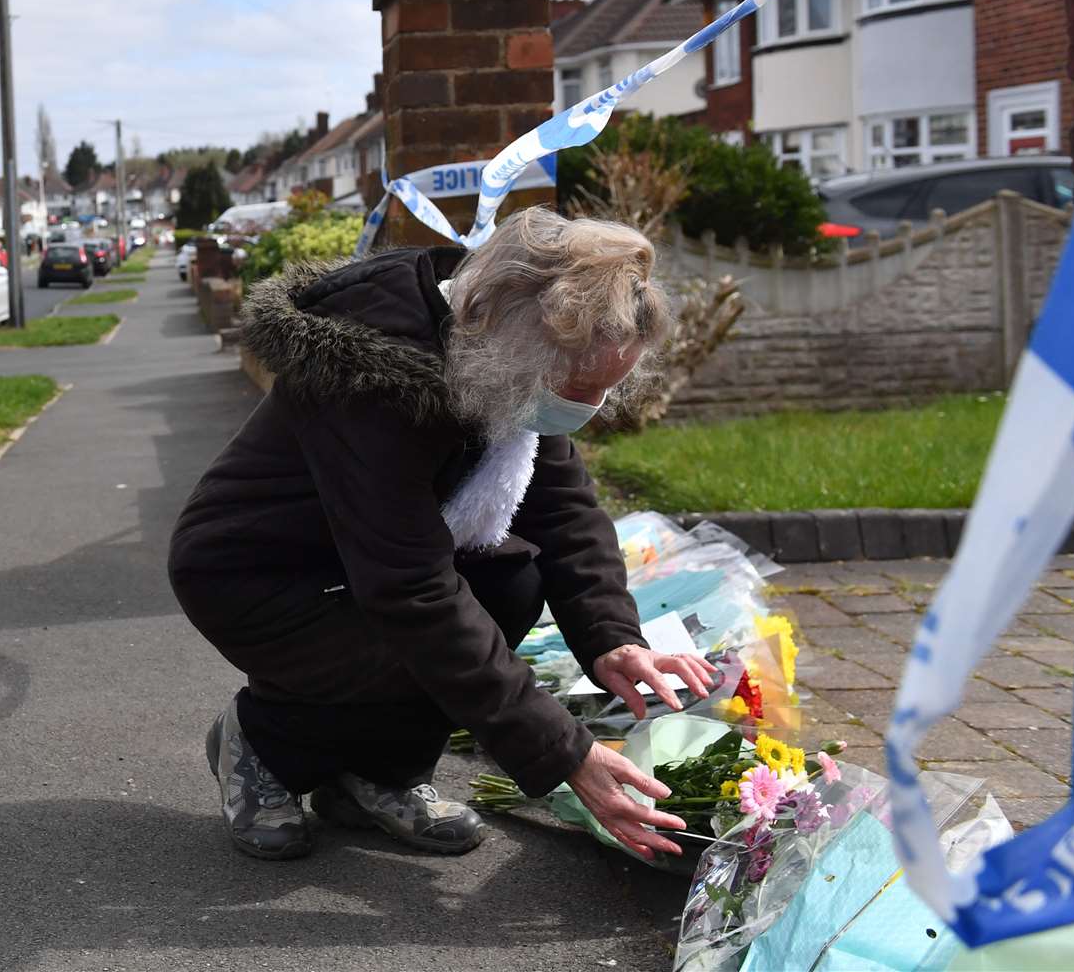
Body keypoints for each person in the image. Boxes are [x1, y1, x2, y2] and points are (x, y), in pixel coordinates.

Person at [168, 206, 716, 861]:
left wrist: (612, 640)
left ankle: (378, 779)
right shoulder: (372, 382)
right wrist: (564, 753)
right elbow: (411, 590)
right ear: (518, 338)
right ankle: (259, 745)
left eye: (603, 390)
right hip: (255, 574)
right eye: (577, 387)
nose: (585, 408)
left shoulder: (501, 359)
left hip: (357, 564)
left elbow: (565, 515)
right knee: (404, 648)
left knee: (509, 588)